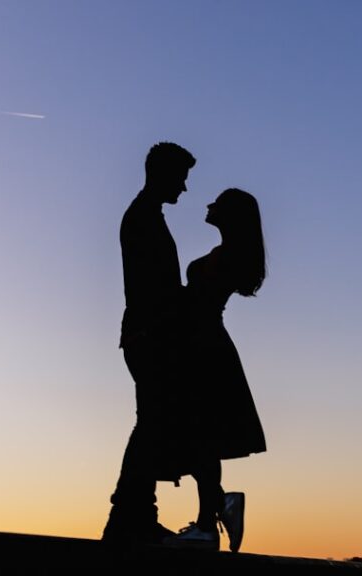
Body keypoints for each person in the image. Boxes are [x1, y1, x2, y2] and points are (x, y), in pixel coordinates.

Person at [102, 142, 196, 546]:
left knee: (150, 422)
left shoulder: (144, 215)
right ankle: (131, 514)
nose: (186, 188)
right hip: (149, 333)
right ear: (163, 174)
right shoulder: (142, 218)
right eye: (182, 179)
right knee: (150, 423)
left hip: (147, 331)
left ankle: (132, 513)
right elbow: (149, 287)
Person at [164, 188, 267, 552]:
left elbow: (199, 301)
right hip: (203, 346)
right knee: (198, 437)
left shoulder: (228, 257)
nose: (209, 205)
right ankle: (216, 508)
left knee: (200, 437)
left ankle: (209, 522)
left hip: (203, 348)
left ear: (231, 215)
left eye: (218, 203)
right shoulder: (227, 255)